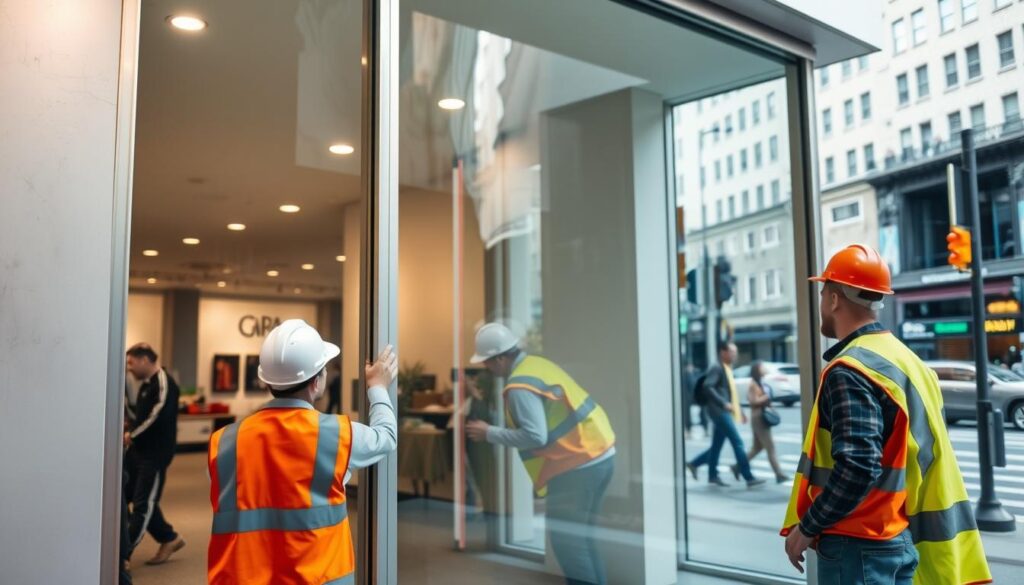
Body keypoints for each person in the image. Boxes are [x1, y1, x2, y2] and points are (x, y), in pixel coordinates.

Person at [782, 244, 991, 585]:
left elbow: (859, 466)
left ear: (834, 299)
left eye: (823, 293)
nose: (821, 304)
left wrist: (805, 529)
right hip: (897, 536)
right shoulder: (908, 361)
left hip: (857, 546)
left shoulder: (850, 368)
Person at [207, 319, 398, 584]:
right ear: (316, 382)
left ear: (266, 382)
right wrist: (377, 387)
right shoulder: (337, 434)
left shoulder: (224, 440)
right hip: (318, 577)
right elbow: (386, 437)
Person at [464, 323, 616, 585]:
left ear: (500, 358)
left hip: (577, 466)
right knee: (582, 540)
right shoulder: (536, 364)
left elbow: (536, 436)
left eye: (488, 362)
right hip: (599, 454)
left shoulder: (520, 386)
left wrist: (490, 433)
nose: (487, 368)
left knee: (570, 545)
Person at [123, 343, 185, 566]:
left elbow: (157, 415)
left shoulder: (164, 383)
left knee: (142, 504)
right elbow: (139, 414)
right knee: (127, 497)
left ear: (144, 360)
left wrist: (133, 435)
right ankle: (169, 538)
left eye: (131, 363)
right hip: (138, 452)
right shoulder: (145, 385)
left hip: (155, 454)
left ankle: (123, 556)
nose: (129, 368)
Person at [685, 342, 765, 488]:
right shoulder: (716, 367)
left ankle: (705, 471)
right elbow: (708, 386)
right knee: (737, 442)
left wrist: (739, 410)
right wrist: (723, 403)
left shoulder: (727, 368)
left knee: (716, 446)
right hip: (719, 411)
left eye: (735, 352)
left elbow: (730, 393)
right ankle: (748, 476)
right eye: (732, 352)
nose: (735, 355)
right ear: (723, 352)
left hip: (724, 410)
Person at [732, 360, 788, 483]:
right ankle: (779, 474)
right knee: (770, 447)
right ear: (757, 369)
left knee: (757, 448)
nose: (764, 368)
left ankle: (737, 466)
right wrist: (765, 397)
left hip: (759, 417)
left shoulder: (760, 382)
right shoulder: (753, 384)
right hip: (758, 418)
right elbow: (753, 401)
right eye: (762, 367)